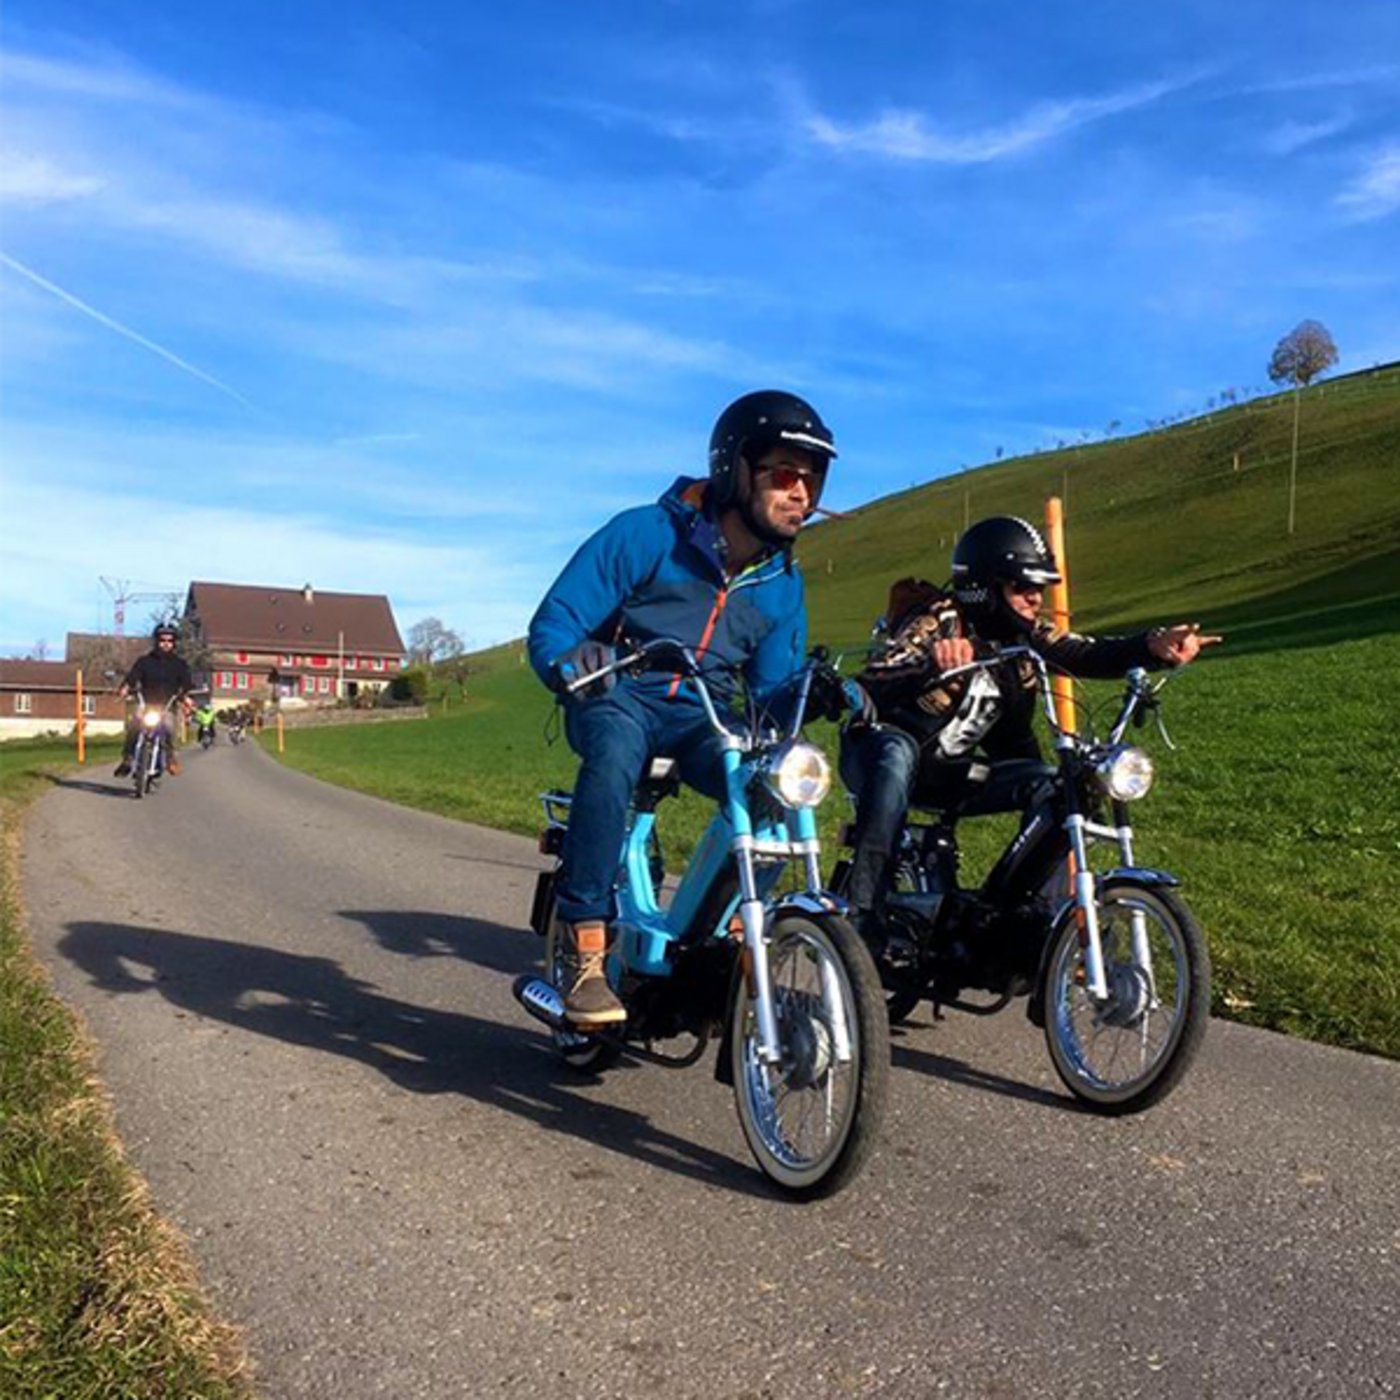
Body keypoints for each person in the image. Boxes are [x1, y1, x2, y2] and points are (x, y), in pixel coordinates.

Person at [527, 389, 841, 1028]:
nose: (801, 494)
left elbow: (771, 696)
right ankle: (588, 947)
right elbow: (557, 621)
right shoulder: (645, 533)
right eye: (785, 475)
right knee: (613, 752)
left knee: (771, 781)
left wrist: (823, 692)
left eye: (812, 480)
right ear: (735, 469)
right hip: (620, 695)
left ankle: (727, 930)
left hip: (708, 716)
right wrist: (573, 663)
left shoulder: (782, 581)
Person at [838, 514, 1222, 929]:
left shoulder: (1025, 639)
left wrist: (1152, 646)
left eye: (1039, 588)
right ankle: (863, 912)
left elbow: (1085, 652)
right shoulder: (939, 619)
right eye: (1022, 586)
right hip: (876, 761)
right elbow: (875, 677)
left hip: (948, 773)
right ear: (982, 586)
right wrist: (930, 664)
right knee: (896, 753)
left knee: (1054, 784)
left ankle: (1023, 914)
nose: (1035, 598)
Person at [114, 623, 195, 777]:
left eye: (170, 640)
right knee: (134, 725)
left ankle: (171, 758)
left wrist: (186, 697)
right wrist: (125, 687)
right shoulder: (144, 661)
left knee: (170, 728)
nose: (166, 643)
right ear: (156, 641)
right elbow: (133, 676)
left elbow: (186, 683)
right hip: (146, 705)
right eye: (162, 640)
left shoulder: (180, 664)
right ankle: (127, 759)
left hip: (167, 707)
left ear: (174, 643)